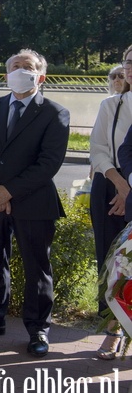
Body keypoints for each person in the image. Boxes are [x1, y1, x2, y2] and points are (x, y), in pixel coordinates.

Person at [0, 49, 69, 359]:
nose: (20, 71)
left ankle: (38, 329)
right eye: (15, 66)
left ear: (41, 76)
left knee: (37, 268)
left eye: (28, 67)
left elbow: (48, 164)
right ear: (6, 73)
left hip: (33, 203)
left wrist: (7, 192)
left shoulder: (54, 112)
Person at [88, 47, 132, 359]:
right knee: (112, 263)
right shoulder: (111, 105)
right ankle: (112, 329)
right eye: (129, 62)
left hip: (129, 192)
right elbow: (98, 148)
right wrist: (120, 184)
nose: (130, 68)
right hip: (110, 188)